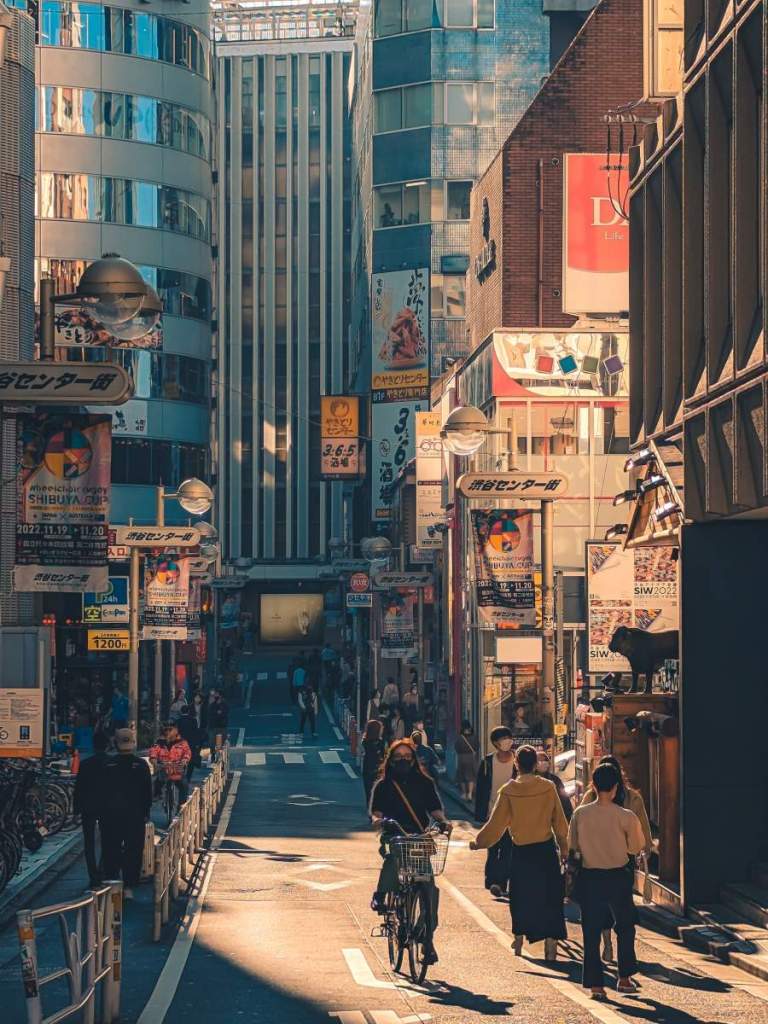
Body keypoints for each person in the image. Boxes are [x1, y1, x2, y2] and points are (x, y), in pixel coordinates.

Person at [470, 744, 568, 961]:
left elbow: (496, 825)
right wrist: (565, 849)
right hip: (545, 849)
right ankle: (551, 941)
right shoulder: (548, 787)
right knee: (550, 896)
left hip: (521, 850)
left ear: (516, 764)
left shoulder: (508, 790)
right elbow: (559, 822)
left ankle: (519, 937)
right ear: (535, 764)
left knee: (521, 896)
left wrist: (479, 842)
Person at [369, 739, 451, 965]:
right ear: (391, 760)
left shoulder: (424, 782)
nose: (403, 760)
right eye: (398, 757)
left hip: (419, 835)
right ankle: (381, 894)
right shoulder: (383, 785)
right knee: (392, 857)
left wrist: (443, 822)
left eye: (407, 756)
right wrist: (378, 820)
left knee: (429, 889)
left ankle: (427, 941)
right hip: (395, 832)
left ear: (414, 759)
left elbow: (434, 808)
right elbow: (376, 811)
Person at [568, 762, 645, 999]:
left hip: (590, 877)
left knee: (590, 931)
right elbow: (636, 846)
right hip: (618, 877)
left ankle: (596, 986)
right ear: (615, 788)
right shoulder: (626, 816)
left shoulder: (580, 813)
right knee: (624, 926)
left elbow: (573, 846)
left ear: (593, 784)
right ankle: (624, 978)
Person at [579, 754, 653, 963]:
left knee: (600, 904)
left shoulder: (589, 798)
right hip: (623, 861)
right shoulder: (633, 799)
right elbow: (643, 830)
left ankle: (608, 943)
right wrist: (643, 849)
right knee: (621, 905)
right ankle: (622, 956)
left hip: (593, 859)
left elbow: (576, 826)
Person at [100, 729, 152, 899]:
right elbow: (148, 792)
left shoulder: (108, 765)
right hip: (135, 814)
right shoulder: (141, 765)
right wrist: (146, 812)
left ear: (116, 743)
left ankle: (112, 884)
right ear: (133, 743)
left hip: (110, 815)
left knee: (111, 848)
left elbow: (100, 791)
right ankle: (129, 885)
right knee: (134, 849)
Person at [474, 726, 517, 897]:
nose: (507, 741)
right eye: (503, 738)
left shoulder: (517, 761)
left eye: (508, 737)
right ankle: (491, 879)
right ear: (495, 743)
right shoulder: (487, 762)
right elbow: (481, 788)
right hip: (492, 812)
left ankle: (501, 883)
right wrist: (480, 814)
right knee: (492, 848)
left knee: (507, 849)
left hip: (513, 814)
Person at [73, 731, 111, 886]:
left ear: (94, 746)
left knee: (88, 842)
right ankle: (102, 870)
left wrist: (76, 809)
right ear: (107, 745)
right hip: (107, 806)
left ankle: (93, 875)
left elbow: (79, 787)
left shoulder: (86, 764)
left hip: (88, 806)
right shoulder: (111, 763)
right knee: (107, 839)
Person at [150, 722, 192, 804]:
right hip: (163, 769)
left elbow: (187, 753)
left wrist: (184, 761)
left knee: (184, 785)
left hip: (177, 769)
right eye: (166, 729)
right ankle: (158, 795)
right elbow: (153, 753)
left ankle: (181, 808)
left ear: (176, 730)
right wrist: (154, 762)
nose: (168, 732)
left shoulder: (182, 742)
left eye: (170, 729)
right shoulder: (159, 742)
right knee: (157, 781)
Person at [536, 751, 573, 823]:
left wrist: (568, 819)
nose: (542, 762)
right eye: (539, 761)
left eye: (545, 760)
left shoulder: (555, 780)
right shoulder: (530, 781)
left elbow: (564, 800)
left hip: (553, 820)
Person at [361, 719, 386, 811]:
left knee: (368, 791)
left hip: (367, 768)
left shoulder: (365, 742)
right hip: (378, 769)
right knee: (378, 791)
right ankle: (377, 810)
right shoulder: (381, 742)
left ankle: (370, 810)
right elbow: (383, 755)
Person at [454, 720, 479, 801]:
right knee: (471, 776)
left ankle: (464, 793)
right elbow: (477, 747)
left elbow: (456, 747)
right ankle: (470, 794)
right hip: (471, 758)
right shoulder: (474, 737)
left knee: (462, 777)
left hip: (461, 757)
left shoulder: (460, 737)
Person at [177, 704, 203, 780]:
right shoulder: (193, 720)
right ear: (188, 711)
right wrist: (197, 743)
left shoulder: (178, 721)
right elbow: (196, 732)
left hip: (181, 743)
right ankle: (188, 777)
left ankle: (182, 774)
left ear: (181, 712)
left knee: (181, 758)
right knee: (191, 760)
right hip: (191, 743)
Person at [208, 690, 230, 757]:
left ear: (220, 695)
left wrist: (219, 713)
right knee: (212, 742)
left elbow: (225, 713)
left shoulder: (225, 704)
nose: (215, 696)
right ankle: (213, 755)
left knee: (221, 743)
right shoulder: (212, 705)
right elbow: (210, 714)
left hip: (222, 726)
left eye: (217, 694)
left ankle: (220, 756)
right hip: (213, 726)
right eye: (215, 695)